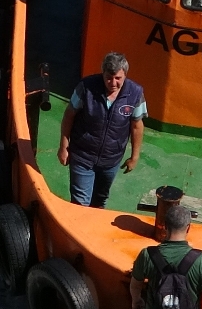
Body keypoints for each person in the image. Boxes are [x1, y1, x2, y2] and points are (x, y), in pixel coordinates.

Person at [58, 52, 146, 208]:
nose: (113, 83)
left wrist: (134, 157)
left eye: (118, 78)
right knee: (80, 204)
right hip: (82, 156)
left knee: (99, 201)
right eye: (108, 78)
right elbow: (69, 115)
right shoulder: (86, 87)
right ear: (103, 74)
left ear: (125, 74)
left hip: (111, 161)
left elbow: (136, 126)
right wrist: (64, 146)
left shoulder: (135, 93)